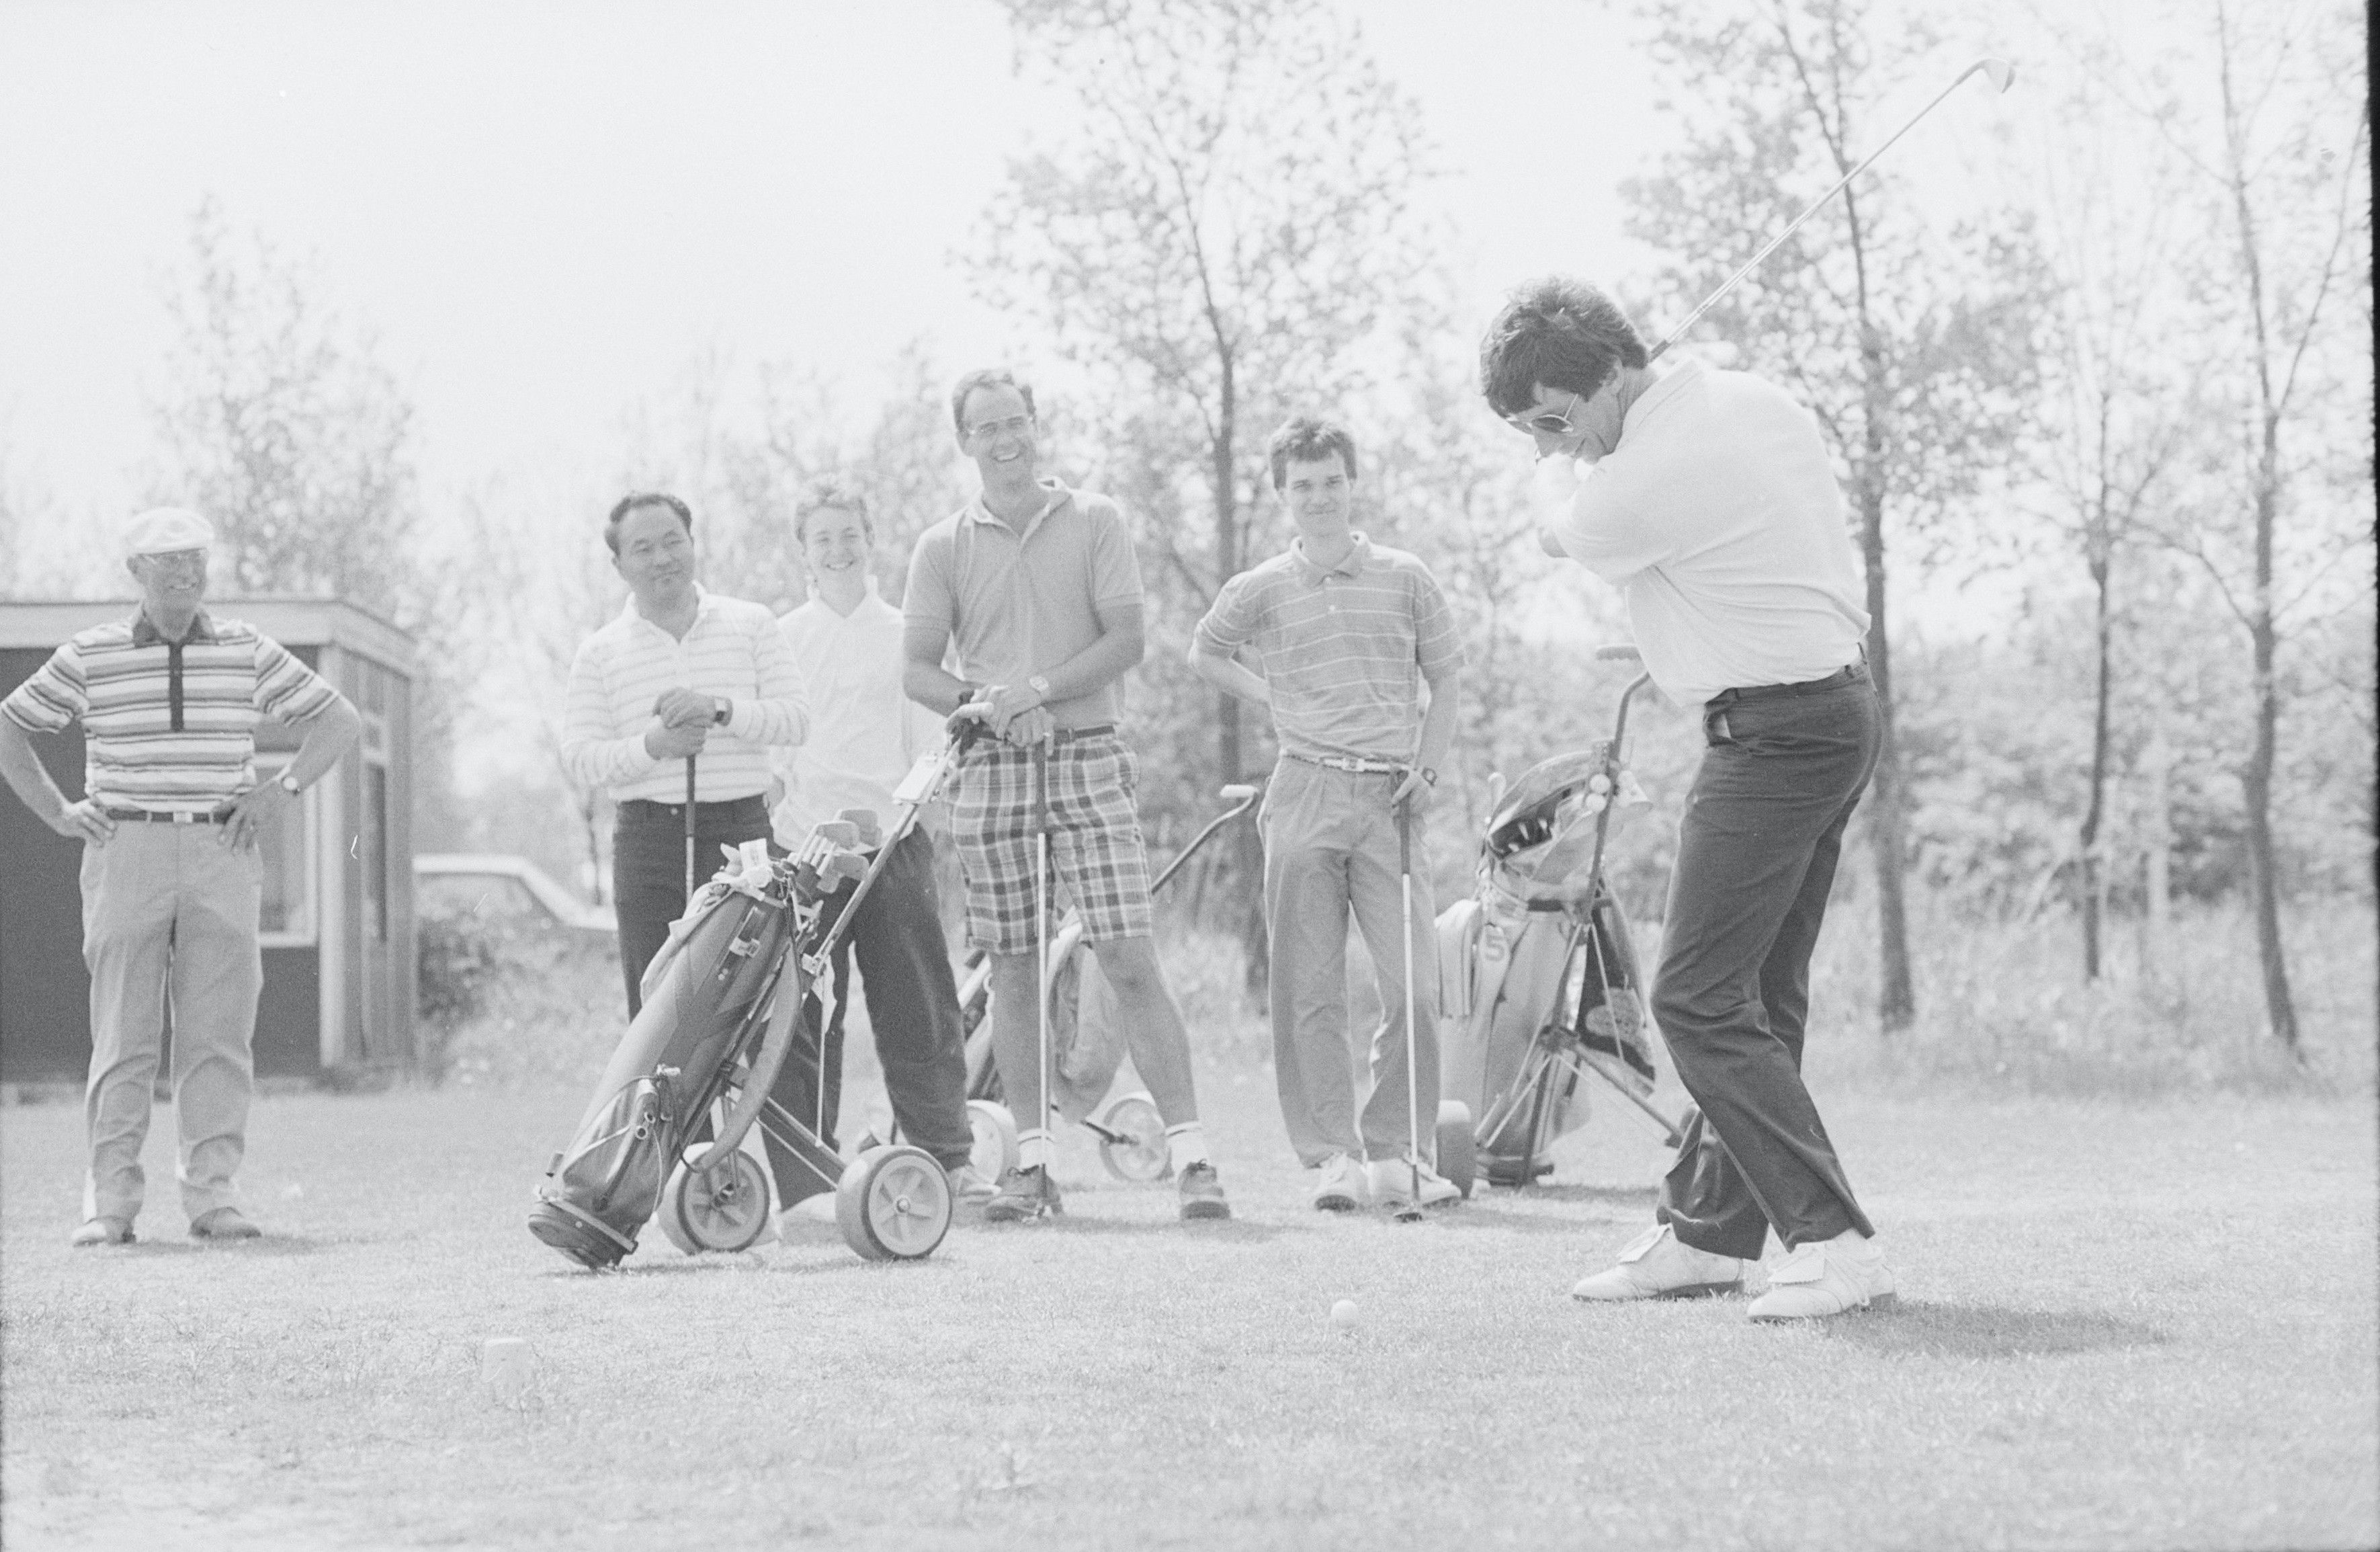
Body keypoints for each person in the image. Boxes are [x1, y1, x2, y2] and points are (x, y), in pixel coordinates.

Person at [1480, 275, 1891, 1321]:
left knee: (1695, 996)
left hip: (1773, 738)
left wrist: (1560, 486)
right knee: (1756, 993)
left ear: (1612, 376)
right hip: (1826, 711)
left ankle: (1831, 1239)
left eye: (1553, 421)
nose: (1548, 448)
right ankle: (1710, 1230)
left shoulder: (1643, 472)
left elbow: (1557, 529)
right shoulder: (1752, 399)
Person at [902, 366, 1230, 1224]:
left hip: (1087, 754)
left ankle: (1194, 1158)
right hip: (992, 769)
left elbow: (1126, 639)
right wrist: (988, 706)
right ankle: (1032, 1168)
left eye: (1017, 422)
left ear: (1035, 426)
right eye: (986, 428)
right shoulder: (942, 545)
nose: (1005, 440)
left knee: (1124, 953)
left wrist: (1037, 691)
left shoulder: (1095, 520)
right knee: (1011, 969)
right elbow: (915, 669)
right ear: (964, 440)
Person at [0, 508, 362, 1247]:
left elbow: (339, 721)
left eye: (195, 560)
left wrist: (279, 791)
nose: (185, 575)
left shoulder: (244, 648)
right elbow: (10, 725)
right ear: (135, 571)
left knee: (218, 1034)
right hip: (124, 845)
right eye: (167, 563)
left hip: (220, 849)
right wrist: (59, 811)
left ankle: (213, 1196)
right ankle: (110, 1203)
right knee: (124, 1034)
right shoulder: (91, 653)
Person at [1190, 415, 1465, 1213]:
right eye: (1302, 486)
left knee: (1410, 984)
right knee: (1308, 987)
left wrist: (1430, 765)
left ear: (1352, 484)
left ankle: (1396, 1150)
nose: (1318, 497)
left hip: (1390, 798)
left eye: (1331, 481)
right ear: (1282, 495)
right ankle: (1330, 1156)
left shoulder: (1406, 575)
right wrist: (1268, 694)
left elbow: (1444, 678)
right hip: (1303, 788)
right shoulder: (1260, 587)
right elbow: (1204, 651)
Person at [767, 478, 988, 1213]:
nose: (838, 548)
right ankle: (804, 1172)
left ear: (869, 539)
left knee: (917, 1003)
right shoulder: (783, 637)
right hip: (805, 846)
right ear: (804, 550)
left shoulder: (904, 631)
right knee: (803, 1012)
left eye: (848, 533)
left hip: (892, 842)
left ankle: (945, 1155)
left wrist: (907, 822)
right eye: (822, 537)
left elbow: (926, 744)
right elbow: (779, 747)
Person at [561, 492, 808, 1016]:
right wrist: (655, 746)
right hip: (649, 842)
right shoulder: (600, 652)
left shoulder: (752, 623)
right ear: (619, 564)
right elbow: (580, 758)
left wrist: (719, 709)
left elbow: (795, 718)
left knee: (760, 1006)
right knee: (657, 1013)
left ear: (693, 544)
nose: (661, 558)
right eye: (643, 548)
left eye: (673, 541)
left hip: (744, 836)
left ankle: (763, 1102)